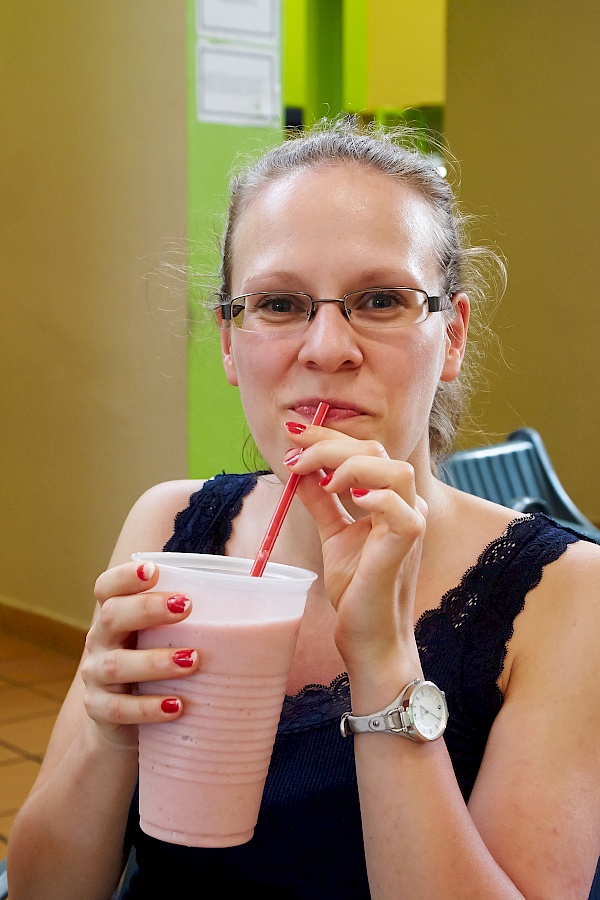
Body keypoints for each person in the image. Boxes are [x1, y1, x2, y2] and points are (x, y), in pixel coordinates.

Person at [7, 118, 600, 900]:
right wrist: (107, 736)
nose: (326, 348)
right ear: (228, 341)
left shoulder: (569, 594)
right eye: (281, 303)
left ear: (450, 336)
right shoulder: (169, 527)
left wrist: (383, 660)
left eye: (380, 299)